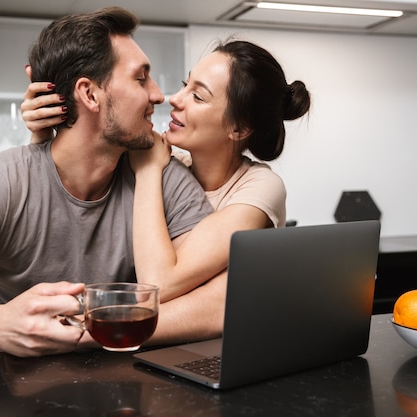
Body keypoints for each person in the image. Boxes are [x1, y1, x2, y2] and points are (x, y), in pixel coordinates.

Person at [0, 7, 225, 373]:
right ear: (90, 94)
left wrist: (92, 330)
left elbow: (221, 303)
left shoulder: (159, 172)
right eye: (141, 78)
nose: (160, 95)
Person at [22, 39, 311, 301]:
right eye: (185, 84)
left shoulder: (259, 187)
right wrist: (43, 135)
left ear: (239, 128)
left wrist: (148, 172)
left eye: (198, 97)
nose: (175, 98)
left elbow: (157, 284)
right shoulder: (170, 164)